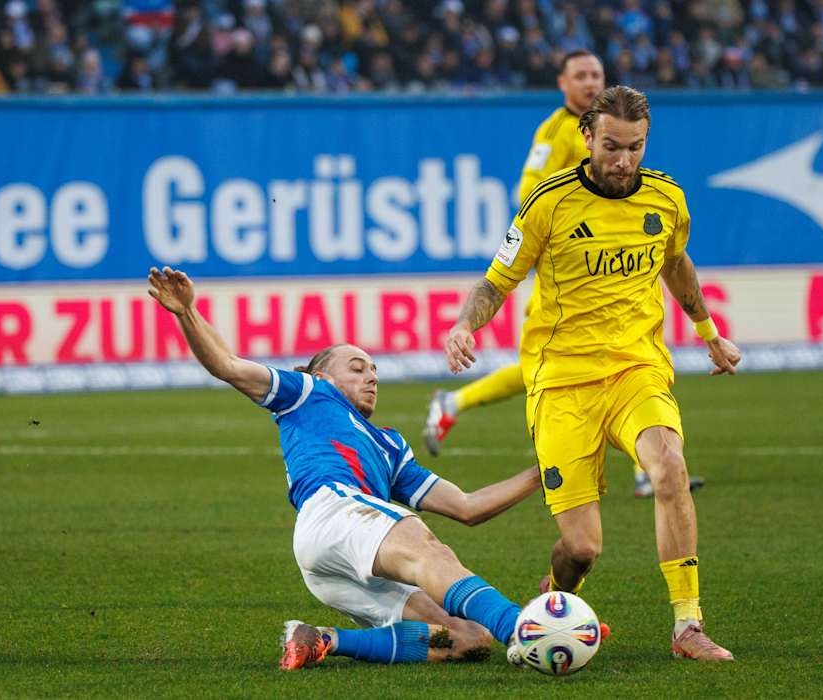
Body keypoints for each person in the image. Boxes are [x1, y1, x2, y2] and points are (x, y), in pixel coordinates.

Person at [146, 266, 590, 670]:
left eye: (375, 370)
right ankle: (524, 625)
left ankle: (322, 639)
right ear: (322, 375)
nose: (372, 376)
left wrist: (544, 470)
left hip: (331, 560)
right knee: (428, 549)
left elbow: (468, 507)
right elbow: (226, 365)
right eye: (357, 368)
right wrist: (188, 312)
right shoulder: (307, 393)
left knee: (467, 638)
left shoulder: (389, 445)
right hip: (337, 513)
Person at [442, 86, 740, 662]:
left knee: (670, 465)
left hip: (636, 369)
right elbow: (496, 280)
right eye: (611, 146)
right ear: (587, 138)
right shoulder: (547, 203)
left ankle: (688, 626)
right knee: (581, 549)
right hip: (562, 382)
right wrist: (464, 325)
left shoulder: (667, 199)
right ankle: (558, 598)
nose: (623, 160)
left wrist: (708, 332)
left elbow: (674, 263)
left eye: (635, 148)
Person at [422, 50, 690, 498]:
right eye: (580, 75)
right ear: (562, 82)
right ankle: (456, 401)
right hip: (567, 265)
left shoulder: (612, 134)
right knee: (558, 366)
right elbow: (531, 194)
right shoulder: (554, 132)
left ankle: (649, 461)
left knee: (607, 358)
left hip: (601, 258)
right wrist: (575, 213)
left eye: (596, 75)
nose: (589, 82)